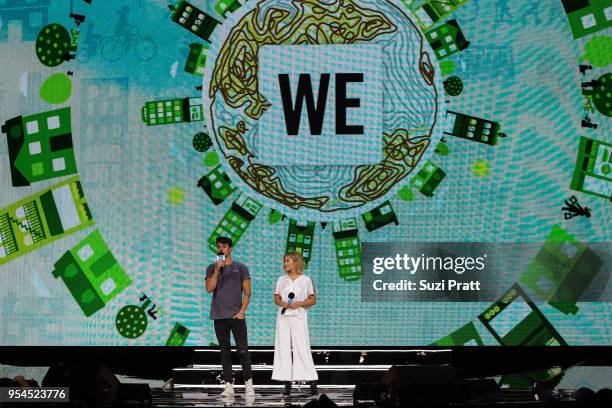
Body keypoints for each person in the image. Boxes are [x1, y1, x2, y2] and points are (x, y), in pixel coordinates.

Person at [206, 236, 254, 398]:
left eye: (224, 246)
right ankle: (228, 386)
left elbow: (247, 292)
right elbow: (209, 288)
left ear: (230, 249)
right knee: (224, 351)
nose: (221, 249)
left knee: (243, 350)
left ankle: (249, 386)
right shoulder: (211, 268)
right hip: (219, 316)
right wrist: (217, 270)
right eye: (219, 247)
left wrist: (242, 311)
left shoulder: (241, 267)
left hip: (236, 316)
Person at [272, 252, 318, 396]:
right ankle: (286, 382)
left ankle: (311, 381)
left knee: (302, 347)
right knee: (283, 348)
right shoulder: (281, 280)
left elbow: (312, 300)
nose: (285, 263)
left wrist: (300, 303)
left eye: (288, 261)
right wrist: (283, 303)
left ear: (296, 262)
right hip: (284, 317)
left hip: (299, 316)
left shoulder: (306, 280)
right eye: (284, 261)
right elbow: (276, 298)